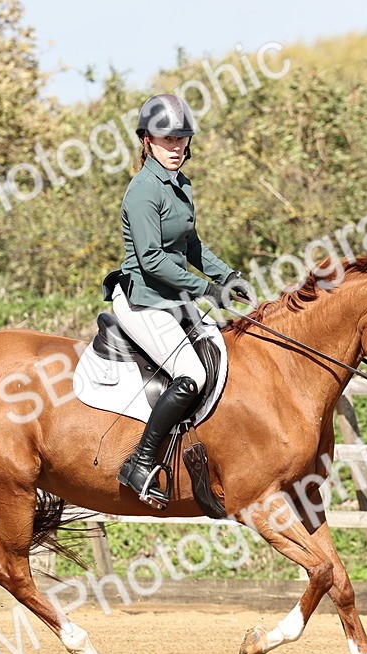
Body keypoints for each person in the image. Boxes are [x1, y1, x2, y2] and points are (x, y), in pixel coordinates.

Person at [101, 93, 255, 507]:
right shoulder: (142, 191)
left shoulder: (180, 186)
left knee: (222, 357)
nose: (176, 147)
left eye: (182, 139)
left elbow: (191, 246)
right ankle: (140, 462)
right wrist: (208, 290)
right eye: (167, 140)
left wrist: (227, 276)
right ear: (147, 140)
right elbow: (151, 261)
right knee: (191, 374)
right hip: (143, 301)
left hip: (173, 299)